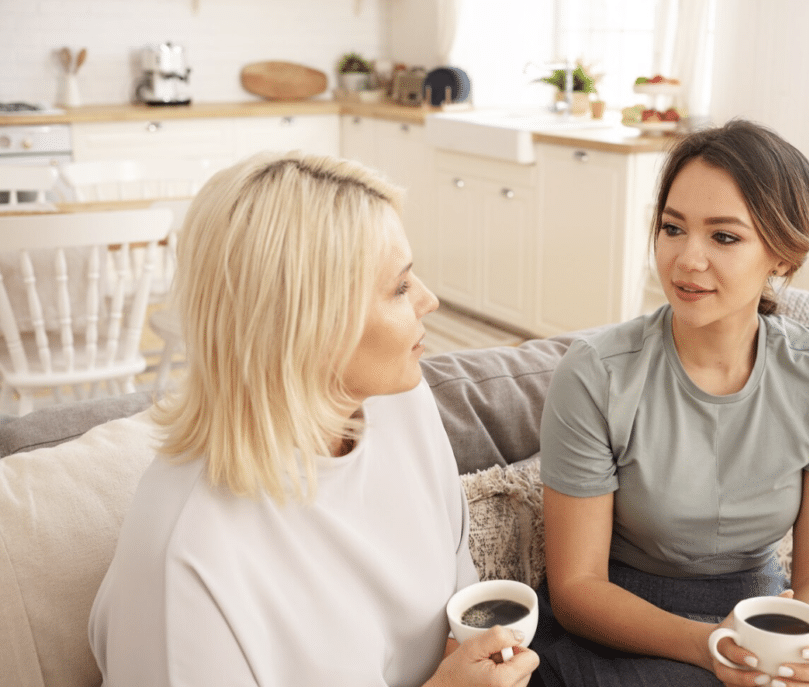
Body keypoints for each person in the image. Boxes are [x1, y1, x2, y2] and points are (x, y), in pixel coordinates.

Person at [88, 152, 539, 687]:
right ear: (313, 329)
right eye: (399, 287)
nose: (429, 300)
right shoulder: (187, 565)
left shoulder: (400, 405)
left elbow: (457, 612)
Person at [530, 120, 809, 687]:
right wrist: (712, 645)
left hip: (755, 609)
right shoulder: (596, 372)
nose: (687, 260)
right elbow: (577, 589)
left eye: (724, 236)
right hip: (622, 617)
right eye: (672, 228)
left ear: (783, 256)